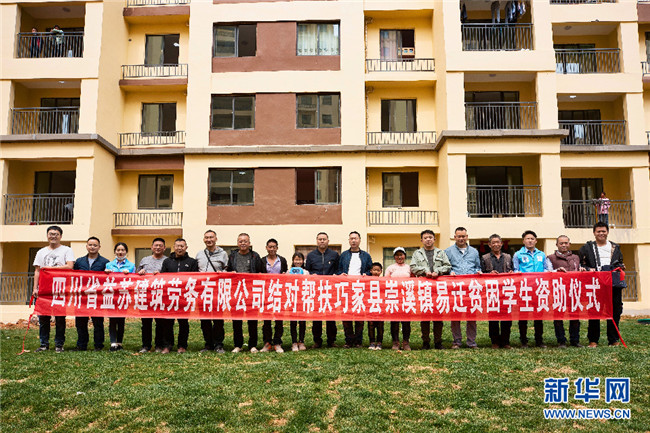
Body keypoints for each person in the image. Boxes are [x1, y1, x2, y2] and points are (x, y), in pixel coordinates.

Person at [579, 222, 626, 348]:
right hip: (595, 283)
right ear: (594, 233)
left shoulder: (615, 247)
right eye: (598, 231)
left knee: (615, 310)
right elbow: (582, 265)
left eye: (603, 231)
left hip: (613, 283)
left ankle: (613, 339)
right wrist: (587, 269)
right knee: (594, 310)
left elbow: (620, 262)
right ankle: (593, 340)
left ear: (607, 232)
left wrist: (621, 267)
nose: (601, 233)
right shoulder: (587, 248)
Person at [33, 225, 75, 353]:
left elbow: (69, 266)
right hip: (44, 289)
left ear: (60, 236)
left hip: (60, 288)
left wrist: (50, 269)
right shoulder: (41, 252)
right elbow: (37, 271)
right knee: (43, 318)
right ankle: (44, 344)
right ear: (47, 236)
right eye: (51, 234)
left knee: (60, 318)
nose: (53, 236)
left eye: (56, 234)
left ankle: (59, 344)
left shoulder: (67, 250)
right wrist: (35, 288)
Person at [410, 229, 452, 350]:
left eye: (430, 237)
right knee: (425, 316)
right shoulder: (417, 254)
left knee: (438, 315)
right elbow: (413, 267)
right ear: (421, 240)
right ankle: (426, 342)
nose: (428, 239)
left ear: (434, 239)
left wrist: (438, 271)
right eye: (425, 238)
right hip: (424, 288)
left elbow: (448, 266)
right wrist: (425, 271)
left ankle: (438, 342)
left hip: (438, 288)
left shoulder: (441, 253)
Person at [513, 230, 553, 348]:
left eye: (532, 239)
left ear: (536, 241)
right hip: (524, 289)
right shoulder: (518, 254)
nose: (530, 241)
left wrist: (548, 272)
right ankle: (523, 340)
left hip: (539, 289)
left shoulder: (541, 254)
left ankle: (539, 340)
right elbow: (515, 270)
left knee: (538, 316)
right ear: (523, 241)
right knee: (523, 316)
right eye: (527, 239)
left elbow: (545, 268)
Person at [227, 233, 266, 353]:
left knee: (252, 320)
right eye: (240, 241)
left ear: (249, 243)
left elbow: (261, 272)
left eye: (245, 241)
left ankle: (252, 345)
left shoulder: (255, 256)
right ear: (237, 243)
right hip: (236, 291)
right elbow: (228, 271)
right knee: (236, 320)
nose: (243, 243)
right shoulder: (232, 256)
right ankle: (238, 345)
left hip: (251, 292)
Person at [160, 238, 199, 354]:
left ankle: (182, 345)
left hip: (184, 297)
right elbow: (162, 277)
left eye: (182, 246)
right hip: (170, 296)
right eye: (177, 246)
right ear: (174, 247)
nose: (179, 248)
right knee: (168, 322)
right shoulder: (167, 261)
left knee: (183, 323)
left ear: (186, 247)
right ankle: (167, 345)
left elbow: (195, 279)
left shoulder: (192, 262)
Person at [445, 227, 482, 349]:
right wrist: (449, 272)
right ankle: (457, 341)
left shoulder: (474, 252)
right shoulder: (448, 251)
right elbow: (446, 267)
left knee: (471, 315)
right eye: (459, 236)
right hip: (455, 287)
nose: (461, 238)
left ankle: (471, 342)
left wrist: (478, 272)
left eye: (463, 236)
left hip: (471, 288)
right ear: (454, 237)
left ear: (467, 237)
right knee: (456, 315)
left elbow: (477, 266)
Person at [547, 235, 584, 348]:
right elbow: (548, 272)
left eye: (566, 243)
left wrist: (582, 270)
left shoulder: (576, 257)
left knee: (575, 316)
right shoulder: (550, 258)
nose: (564, 245)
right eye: (561, 243)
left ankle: (575, 340)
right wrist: (556, 271)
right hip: (558, 290)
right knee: (558, 317)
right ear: (557, 245)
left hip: (574, 290)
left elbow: (579, 269)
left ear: (569, 244)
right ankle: (561, 341)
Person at [73, 236, 109, 351]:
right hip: (82, 297)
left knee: (98, 322)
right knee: (80, 322)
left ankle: (98, 345)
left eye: (95, 245)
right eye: (90, 245)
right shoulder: (79, 261)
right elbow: (73, 277)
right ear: (86, 246)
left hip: (97, 297)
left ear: (99, 247)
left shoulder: (105, 262)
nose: (92, 247)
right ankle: (81, 345)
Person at [337, 231, 373, 348]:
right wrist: (341, 274)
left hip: (360, 288)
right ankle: (348, 340)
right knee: (346, 314)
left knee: (359, 314)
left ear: (359, 240)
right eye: (351, 238)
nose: (353, 241)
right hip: (346, 288)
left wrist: (366, 274)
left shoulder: (366, 255)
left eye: (355, 238)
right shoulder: (343, 255)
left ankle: (358, 340)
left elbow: (370, 270)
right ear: (349, 240)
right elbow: (339, 269)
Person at [304, 232, 339, 348]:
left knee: (331, 316)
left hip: (330, 289)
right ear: (317, 241)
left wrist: (335, 275)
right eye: (320, 239)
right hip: (316, 289)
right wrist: (311, 275)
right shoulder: (311, 256)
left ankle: (331, 340)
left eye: (324, 239)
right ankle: (317, 340)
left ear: (328, 241)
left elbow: (338, 270)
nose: (322, 241)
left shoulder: (334, 255)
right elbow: (307, 271)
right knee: (317, 316)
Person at [196, 230, 228, 353]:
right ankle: (208, 344)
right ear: (203, 239)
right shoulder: (199, 254)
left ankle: (218, 344)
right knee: (204, 319)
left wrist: (222, 273)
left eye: (211, 237)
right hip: (203, 291)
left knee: (218, 319)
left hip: (217, 291)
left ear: (216, 239)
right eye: (206, 237)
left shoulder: (223, 254)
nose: (209, 240)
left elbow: (227, 269)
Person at [480, 234, 513, 349]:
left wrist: (511, 273)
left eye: (498, 242)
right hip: (492, 291)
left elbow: (513, 270)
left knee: (507, 317)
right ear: (489, 245)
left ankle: (505, 341)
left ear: (501, 244)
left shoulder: (508, 257)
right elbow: (481, 274)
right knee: (493, 317)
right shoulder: (484, 258)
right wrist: (489, 274)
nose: (496, 244)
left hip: (506, 291)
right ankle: (494, 341)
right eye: (493, 243)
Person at [137, 238, 167, 353]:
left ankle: (159, 345)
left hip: (161, 295)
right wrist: (140, 273)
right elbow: (137, 275)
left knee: (160, 323)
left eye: (160, 245)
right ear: (151, 247)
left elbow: (170, 276)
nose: (158, 247)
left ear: (164, 248)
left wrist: (161, 274)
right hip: (146, 295)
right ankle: (146, 345)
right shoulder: (145, 260)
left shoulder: (167, 261)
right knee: (146, 322)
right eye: (156, 245)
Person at [105, 242, 136, 352]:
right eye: (118, 250)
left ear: (126, 252)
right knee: (112, 319)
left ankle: (119, 342)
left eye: (122, 250)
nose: (120, 252)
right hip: (112, 296)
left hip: (124, 296)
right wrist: (106, 273)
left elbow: (134, 281)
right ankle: (113, 343)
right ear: (115, 252)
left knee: (121, 320)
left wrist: (130, 274)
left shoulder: (131, 266)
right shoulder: (109, 265)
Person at [262, 238, 288, 353]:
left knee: (278, 319)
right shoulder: (262, 260)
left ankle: (277, 343)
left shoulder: (282, 260)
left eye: (274, 247)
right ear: (266, 248)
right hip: (266, 293)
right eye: (270, 247)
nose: (272, 249)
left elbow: (286, 274)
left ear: (277, 248)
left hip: (279, 292)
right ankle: (267, 343)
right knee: (266, 319)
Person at [385, 247, 412, 350]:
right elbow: (385, 282)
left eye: (401, 254)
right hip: (394, 297)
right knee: (394, 321)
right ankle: (395, 342)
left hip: (406, 297)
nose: (399, 257)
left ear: (405, 256)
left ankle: (406, 342)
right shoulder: (390, 268)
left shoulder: (409, 268)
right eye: (397, 255)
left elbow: (414, 280)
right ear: (394, 257)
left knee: (406, 321)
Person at [287, 252, 309, 351]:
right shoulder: (288, 271)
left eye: (300, 259)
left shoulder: (306, 272)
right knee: (293, 322)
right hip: (292, 299)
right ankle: (294, 342)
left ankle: (301, 341)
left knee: (302, 321)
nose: (298, 261)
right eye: (296, 259)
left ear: (303, 261)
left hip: (302, 299)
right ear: (293, 260)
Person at [367, 262, 385, 350]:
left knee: (380, 325)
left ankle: (379, 342)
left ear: (381, 271)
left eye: (378, 270)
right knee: (371, 325)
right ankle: (372, 342)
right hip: (370, 305)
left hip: (380, 306)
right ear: (371, 271)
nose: (376, 272)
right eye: (374, 270)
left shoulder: (383, 281)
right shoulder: (367, 281)